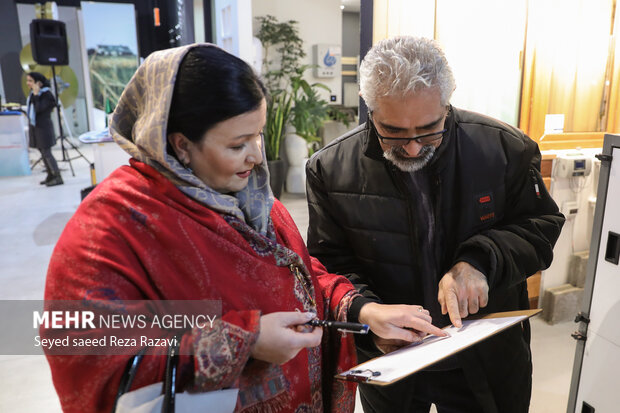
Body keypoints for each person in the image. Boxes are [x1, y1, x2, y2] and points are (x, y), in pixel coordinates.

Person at [43, 44, 445, 413]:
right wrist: (244, 342)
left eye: (259, 135)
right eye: (238, 144)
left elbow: (298, 277)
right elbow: (86, 356)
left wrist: (361, 309)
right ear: (179, 145)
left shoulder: (251, 197)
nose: (256, 156)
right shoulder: (111, 229)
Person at [306, 36, 565, 413]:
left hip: (486, 359)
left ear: (446, 105)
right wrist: (368, 314)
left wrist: (480, 261)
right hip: (392, 362)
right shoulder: (330, 169)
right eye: (392, 131)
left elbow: (541, 225)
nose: (412, 147)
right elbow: (329, 264)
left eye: (428, 129)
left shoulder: (505, 149)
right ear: (370, 110)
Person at [26, 71, 63, 186]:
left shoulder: (46, 94)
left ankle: (57, 176)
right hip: (36, 128)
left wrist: (37, 96)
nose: (28, 83)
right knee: (42, 152)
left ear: (39, 83)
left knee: (47, 152)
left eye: (30, 81)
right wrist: (35, 95)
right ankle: (50, 175)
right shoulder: (33, 94)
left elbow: (39, 109)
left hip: (44, 128)